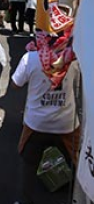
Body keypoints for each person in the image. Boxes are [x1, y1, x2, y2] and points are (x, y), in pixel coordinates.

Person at [11, 54, 80, 204]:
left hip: (36, 124)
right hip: (66, 124)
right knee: (76, 163)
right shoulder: (75, 57)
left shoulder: (31, 58)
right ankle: (78, 198)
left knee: (29, 164)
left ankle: (25, 201)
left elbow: (15, 84)